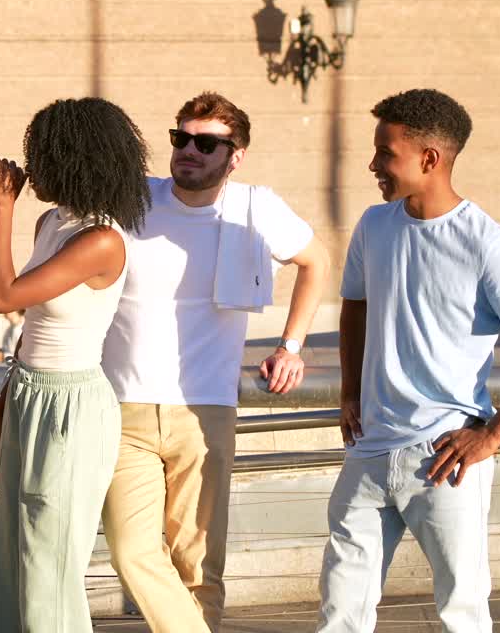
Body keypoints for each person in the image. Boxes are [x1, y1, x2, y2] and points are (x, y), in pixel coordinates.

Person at [317, 89, 500, 631]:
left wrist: (491, 437)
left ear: (429, 159)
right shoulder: (374, 225)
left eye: (386, 153)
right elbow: (354, 308)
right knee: (340, 613)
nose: (373, 165)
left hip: (445, 460)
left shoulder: (488, 243)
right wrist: (348, 393)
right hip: (368, 452)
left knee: (462, 614)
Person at [100, 91, 330, 633]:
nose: (189, 151)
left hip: (205, 409)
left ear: (236, 154)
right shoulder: (131, 200)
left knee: (200, 565)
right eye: (181, 138)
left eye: (206, 143)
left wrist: (290, 346)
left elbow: (315, 261)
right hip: (121, 407)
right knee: (131, 553)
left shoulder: (256, 209)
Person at [0, 97, 152, 632]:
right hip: (28, 391)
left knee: (49, 559)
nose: (31, 169)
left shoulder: (100, 240)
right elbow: (31, 325)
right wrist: (6, 397)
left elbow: (3, 297)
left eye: (43, 156)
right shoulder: (52, 222)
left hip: (72, 406)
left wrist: (2, 207)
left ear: (74, 161)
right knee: (12, 554)